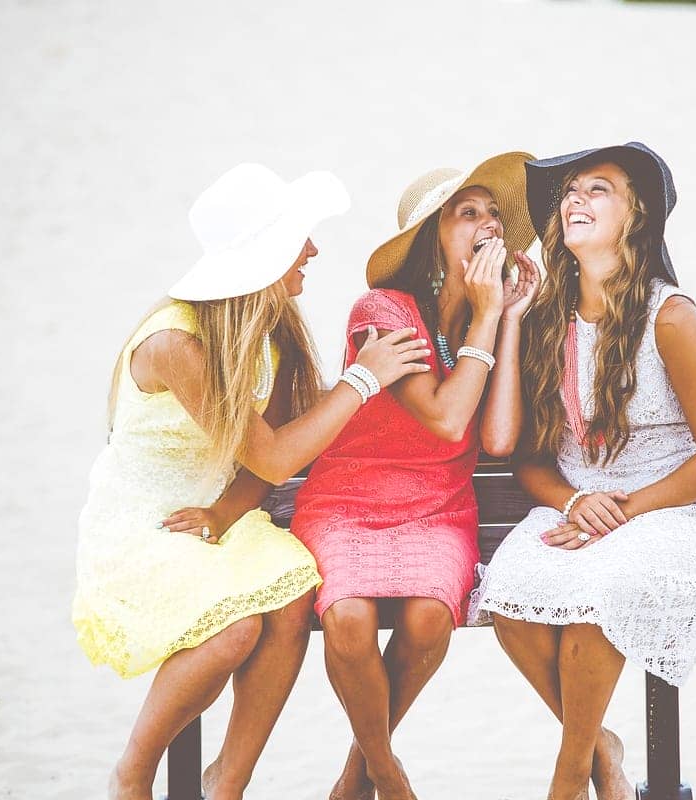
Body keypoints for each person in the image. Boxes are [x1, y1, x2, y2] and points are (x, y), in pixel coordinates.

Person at [72, 163, 430, 800]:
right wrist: (362, 380)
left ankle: (227, 783)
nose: (314, 250)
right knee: (235, 628)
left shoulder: (272, 323)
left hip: (218, 514)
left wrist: (226, 512)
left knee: (291, 600)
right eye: (300, 238)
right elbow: (271, 457)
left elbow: (269, 452)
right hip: (148, 520)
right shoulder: (176, 343)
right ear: (264, 254)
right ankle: (133, 773)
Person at [469, 143, 696, 800]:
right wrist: (573, 501)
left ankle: (569, 780)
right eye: (569, 192)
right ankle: (601, 753)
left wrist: (624, 510)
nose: (575, 201)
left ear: (635, 216)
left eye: (597, 190)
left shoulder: (671, 318)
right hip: (579, 512)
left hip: (674, 511)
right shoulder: (545, 321)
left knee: (600, 595)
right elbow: (529, 459)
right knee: (510, 595)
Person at [291, 151, 540, 800]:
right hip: (349, 502)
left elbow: (495, 437)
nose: (487, 225)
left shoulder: (484, 318)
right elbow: (443, 418)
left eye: (493, 215)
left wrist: (507, 319)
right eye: (467, 213)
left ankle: (356, 774)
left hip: (437, 508)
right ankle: (388, 775)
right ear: (434, 236)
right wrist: (489, 314)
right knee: (346, 617)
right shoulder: (382, 312)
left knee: (432, 618)